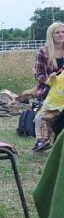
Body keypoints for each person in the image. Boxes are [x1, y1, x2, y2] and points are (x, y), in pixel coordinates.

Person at [31, 22, 64, 152]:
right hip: (48, 90)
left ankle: (51, 139)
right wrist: (49, 80)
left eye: (62, 32)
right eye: (57, 32)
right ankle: (43, 140)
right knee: (44, 115)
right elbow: (38, 74)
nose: (61, 35)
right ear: (51, 35)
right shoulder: (43, 51)